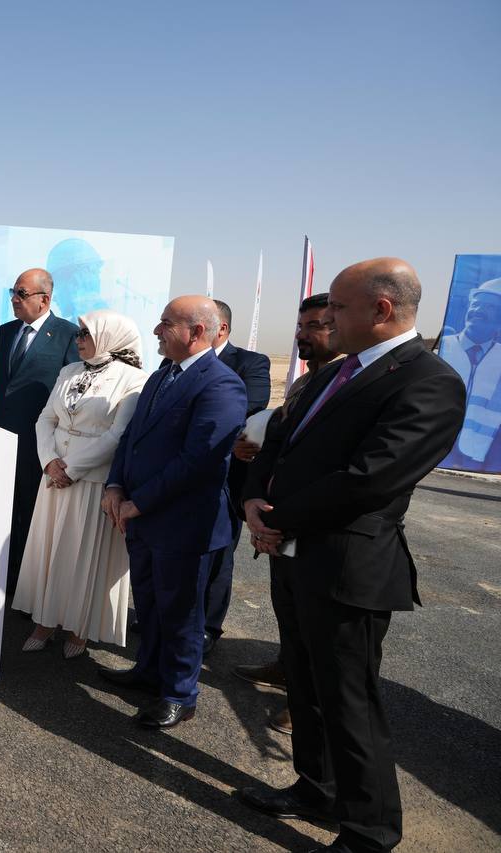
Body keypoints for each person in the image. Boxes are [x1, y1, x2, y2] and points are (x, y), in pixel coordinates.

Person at [238, 258, 467, 853]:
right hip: (293, 556)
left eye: (337, 307)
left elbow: (370, 479)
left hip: (346, 567)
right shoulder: (332, 374)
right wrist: (254, 499)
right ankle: (316, 788)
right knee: (305, 686)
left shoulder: (428, 381)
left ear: (381, 309)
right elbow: (278, 443)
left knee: (349, 702)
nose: (328, 318)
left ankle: (368, 831)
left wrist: (277, 518)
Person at [98, 296, 246, 728]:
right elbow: (132, 438)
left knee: (181, 613)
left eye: (166, 323)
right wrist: (115, 485)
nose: (156, 330)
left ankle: (180, 693)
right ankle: (149, 671)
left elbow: (198, 459)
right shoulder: (163, 374)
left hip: (183, 525)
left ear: (196, 332)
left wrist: (139, 502)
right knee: (149, 603)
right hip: (141, 518)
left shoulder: (221, 384)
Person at [231, 292, 339, 735]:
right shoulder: (304, 383)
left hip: (315, 523)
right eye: (300, 326)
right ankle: (287, 668)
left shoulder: (348, 385)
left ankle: (308, 700)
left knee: (318, 623)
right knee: (288, 607)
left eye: (314, 326)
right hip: (279, 516)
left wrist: (285, 517)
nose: (301, 335)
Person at [12, 311, 146, 658]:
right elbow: (46, 418)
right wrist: (49, 461)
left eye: (86, 333)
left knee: (80, 555)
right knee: (49, 551)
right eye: (79, 333)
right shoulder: (69, 371)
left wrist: (72, 469)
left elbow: (118, 434)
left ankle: (78, 627)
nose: (78, 339)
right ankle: (44, 621)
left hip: (90, 481)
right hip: (54, 476)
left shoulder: (133, 379)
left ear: (109, 337)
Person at [0, 268, 79, 594]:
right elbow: (3, 387)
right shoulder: (6, 331)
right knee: (1, 513)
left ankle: (28, 588)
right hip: (3, 442)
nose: (14, 299)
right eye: (13, 292)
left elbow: (70, 394)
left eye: (22, 293)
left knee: (31, 516)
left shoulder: (67, 334)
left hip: (40, 445)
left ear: (45, 299)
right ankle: (2, 579)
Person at [201, 299, 272, 654]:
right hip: (181, 478)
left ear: (222, 328)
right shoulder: (174, 364)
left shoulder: (250, 363)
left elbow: (248, 410)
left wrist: (224, 444)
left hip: (226, 480)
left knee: (217, 556)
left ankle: (207, 627)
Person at [438, 277, 501, 471]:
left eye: (489, 307)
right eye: (475, 304)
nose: (478, 310)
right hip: (435, 444)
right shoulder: (443, 349)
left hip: (480, 454)